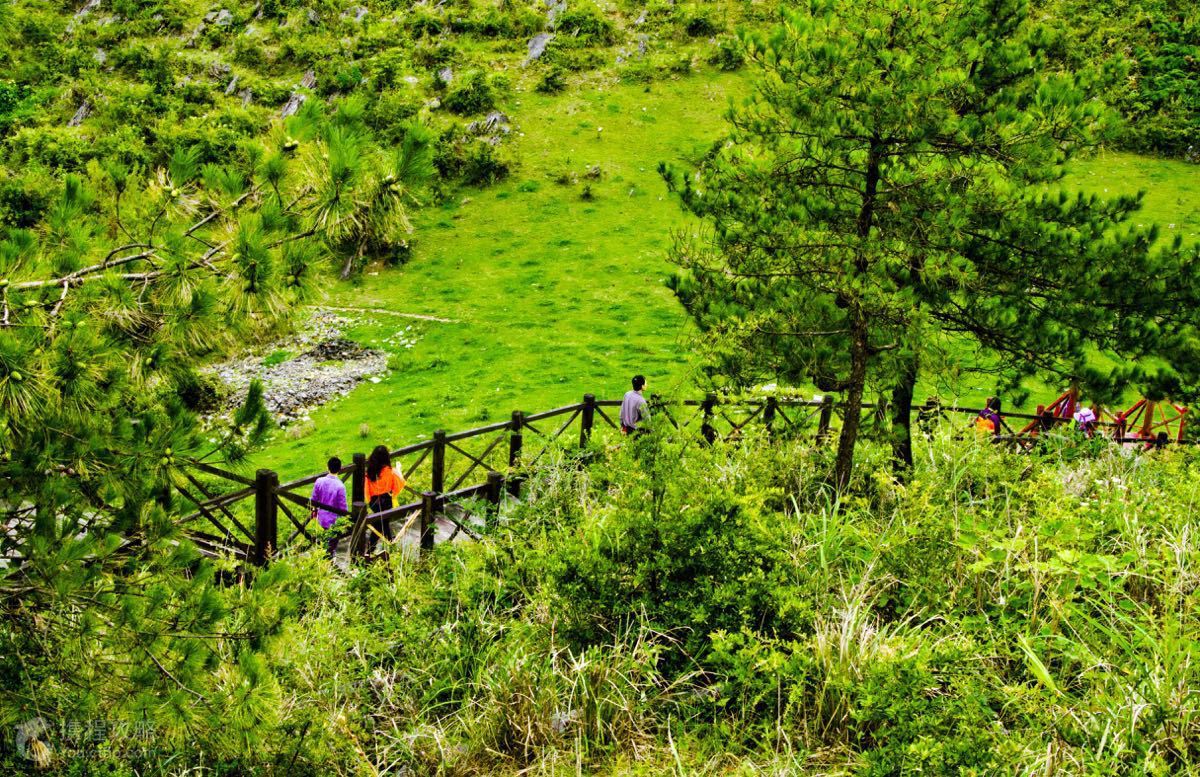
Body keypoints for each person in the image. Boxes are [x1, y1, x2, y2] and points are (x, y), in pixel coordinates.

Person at [366, 445, 405, 543]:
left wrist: (369, 500)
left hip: (374, 502)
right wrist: (399, 469)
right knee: (382, 523)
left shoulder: (369, 472)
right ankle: (372, 548)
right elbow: (400, 482)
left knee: (383, 522)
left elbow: (366, 489)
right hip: (386, 500)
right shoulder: (390, 471)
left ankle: (390, 541)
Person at [310, 456, 347, 559]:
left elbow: (313, 499)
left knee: (322, 543)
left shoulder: (319, 481)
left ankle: (322, 560)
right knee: (331, 546)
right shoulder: (340, 486)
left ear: (328, 467)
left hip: (321, 519)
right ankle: (328, 561)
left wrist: (314, 510)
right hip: (334, 521)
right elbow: (343, 508)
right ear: (340, 469)